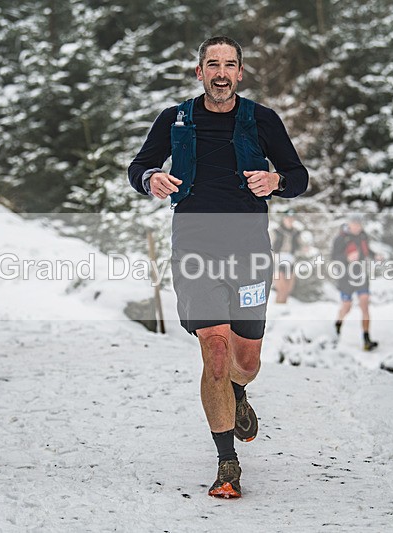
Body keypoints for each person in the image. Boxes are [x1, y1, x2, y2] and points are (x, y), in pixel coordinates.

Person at [128, 36, 308, 498]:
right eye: (213, 64)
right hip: (194, 249)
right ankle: (227, 462)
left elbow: (298, 176)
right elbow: (138, 168)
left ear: (241, 73)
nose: (221, 72)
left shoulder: (262, 120)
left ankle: (240, 393)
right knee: (214, 350)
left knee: (245, 362)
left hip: (249, 251)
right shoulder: (175, 119)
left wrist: (277, 180)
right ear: (199, 72)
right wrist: (152, 178)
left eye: (230, 64)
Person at [331, 215, 378, 351]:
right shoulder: (341, 238)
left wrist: (375, 256)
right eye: (354, 224)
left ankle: (366, 338)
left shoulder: (363, 236)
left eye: (359, 225)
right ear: (349, 224)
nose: (357, 227)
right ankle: (338, 326)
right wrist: (347, 258)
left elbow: (366, 251)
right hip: (346, 276)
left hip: (361, 274)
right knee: (347, 306)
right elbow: (334, 257)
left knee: (365, 305)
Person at [271, 212, 301, 304]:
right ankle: (278, 306)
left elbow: (300, 246)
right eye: (288, 218)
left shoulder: (296, 233)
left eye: (292, 219)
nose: (290, 221)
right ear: (284, 219)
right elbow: (270, 245)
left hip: (290, 260)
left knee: (288, 288)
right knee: (281, 288)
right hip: (277, 259)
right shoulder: (276, 231)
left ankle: (283, 306)